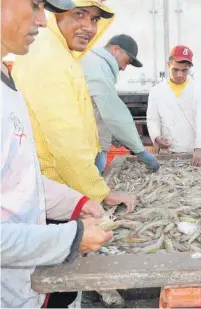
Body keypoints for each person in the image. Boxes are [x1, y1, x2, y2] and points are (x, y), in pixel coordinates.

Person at [1, 0, 114, 308]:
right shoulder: (44, 58)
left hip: (26, 275)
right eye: (35, 5)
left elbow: (19, 176)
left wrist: (76, 201)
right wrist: (72, 238)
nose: (42, 19)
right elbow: (66, 145)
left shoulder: (12, 72)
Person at [12, 0, 136, 208]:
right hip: (53, 193)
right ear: (57, 12)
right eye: (79, 14)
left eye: (94, 19)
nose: (89, 27)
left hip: (60, 189)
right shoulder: (47, 56)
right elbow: (65, 140)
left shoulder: (61, 53)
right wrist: (101, 192)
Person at [81, 34, 160, 174]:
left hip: (91, 142)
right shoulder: (98, 67)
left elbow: (97, 110)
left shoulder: (95, 62)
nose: (124, 68)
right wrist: (139, 150)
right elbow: (113, 112)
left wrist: (118, 138)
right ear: (116, 49)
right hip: (86, 146)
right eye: (127, 61)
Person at [147, 45, 201, 166]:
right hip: (167, 152)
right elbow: (152, 119)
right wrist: (157, 137)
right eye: (175, 69)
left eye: (184, 70)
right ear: (169, 64)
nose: (179, 75)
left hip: (191, 152)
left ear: (190, 68)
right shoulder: (156, 91)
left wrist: (199, 148)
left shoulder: (198, 91)